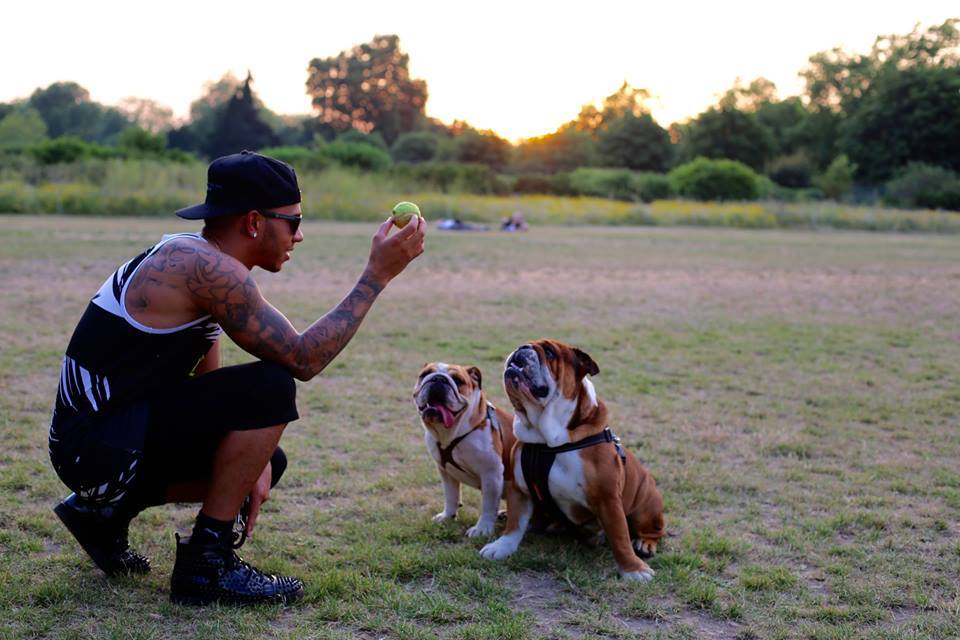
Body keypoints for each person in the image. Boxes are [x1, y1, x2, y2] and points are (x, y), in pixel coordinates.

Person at [48, 150, 425, 605]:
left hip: (100, 442)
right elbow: (303, 359)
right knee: (273, 384)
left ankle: (104, 514)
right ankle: (207, 565)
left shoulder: (197, 257)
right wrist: (376, 276)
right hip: (96, 448)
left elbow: (206, 367)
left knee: (265, 461)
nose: (299, 235)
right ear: (253, 222)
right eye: (293, 221)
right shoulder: (206, 268)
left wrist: (250, 451)